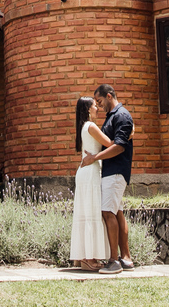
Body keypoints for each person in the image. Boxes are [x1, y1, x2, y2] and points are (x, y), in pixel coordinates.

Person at [81, 83, 134, 274]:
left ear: (109, 96)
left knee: (107, 213)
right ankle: (126, 259)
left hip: (116, 172)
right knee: (117, 213)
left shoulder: (122, 116)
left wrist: (94, 158)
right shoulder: (113, 117)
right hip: (110, 171)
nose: (98, 105)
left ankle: (114, 261)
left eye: (100, 101)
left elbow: (119, 146)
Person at [69, 97, 112, 270]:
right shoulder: (91, 126)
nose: (98, 108)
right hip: (91, 173)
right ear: (87, 109)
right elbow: (110, 144)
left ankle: (84, 257)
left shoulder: (83, 127)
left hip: (86, 172)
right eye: (95, 106)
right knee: (91, 212)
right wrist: (129, 134)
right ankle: (89, 258)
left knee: (86, 212)